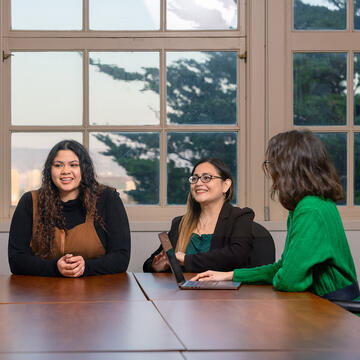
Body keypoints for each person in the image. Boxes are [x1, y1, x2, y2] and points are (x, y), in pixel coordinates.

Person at [192, 130, 360, 303]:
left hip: (339, 312)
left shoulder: (310, 210)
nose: (270, 171)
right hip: (322, 305)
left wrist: (283, 275)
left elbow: (290, 281)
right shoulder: (304, 206)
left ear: (287, 166)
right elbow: (283, 268)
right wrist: (229, 275)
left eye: (271, 163)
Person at [8, 140, 131, 277]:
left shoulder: (108, 199)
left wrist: (86, 267)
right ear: (50, 170)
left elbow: (121, 258)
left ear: (84, 169)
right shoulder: (29, 202)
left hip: (98, 292)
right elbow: (16, 260)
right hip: (43, 293)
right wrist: (55, 267)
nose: (65, 171)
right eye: (58, 165)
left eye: (73, 165)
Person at [143, 158, 255, 273]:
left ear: (226, 185)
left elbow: (237, 256)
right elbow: (149, 263)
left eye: (207, 178)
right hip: (185, 290)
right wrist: (156, 266)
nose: (198, 183)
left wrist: (187, 260)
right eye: (195, 178)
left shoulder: (240, 217)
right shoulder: (180, 223)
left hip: (225, 290)